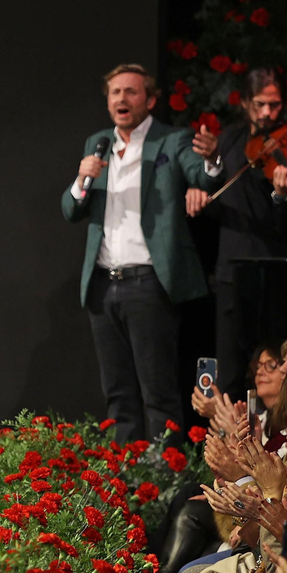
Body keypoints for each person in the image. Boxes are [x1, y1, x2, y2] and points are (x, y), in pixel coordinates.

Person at [60, 63, 218, 443]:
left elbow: (202, 175)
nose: (121, 99)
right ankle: (126, 480)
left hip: (148, 282)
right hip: (102, 284)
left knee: (158, 393)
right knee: (118, 395)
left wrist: (212, 159)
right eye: (115, 93)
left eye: (130, 92)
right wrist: (83, 178)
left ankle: (163, 483)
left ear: (149, 99)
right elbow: (70, 209)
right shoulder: (97, 144)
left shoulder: (171, 140)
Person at [185, 69, 287, 394]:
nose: (268, 113)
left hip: (274, 269)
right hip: (232, 269)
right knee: (230, 369)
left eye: (275, 105)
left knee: (276, 369)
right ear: (246, 103)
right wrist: (199, 195)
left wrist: (281, 196)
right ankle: (231, 442)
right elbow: (220, 205)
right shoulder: (229, 141)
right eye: (261, 104)